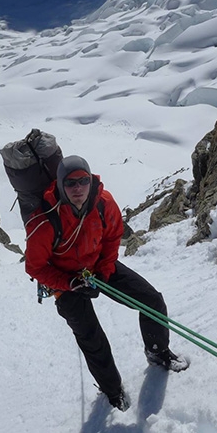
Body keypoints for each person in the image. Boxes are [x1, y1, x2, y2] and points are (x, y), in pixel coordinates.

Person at [25, 155, 188, 411]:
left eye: (83, 181)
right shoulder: (45, 220)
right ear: (59, 185)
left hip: (97, 267)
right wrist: (69, 283)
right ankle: (112, 390)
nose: (77, 188)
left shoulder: (103, 203)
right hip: (65, 281)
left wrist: (103, 270)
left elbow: (113, 236)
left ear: (90, 181)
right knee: (91, 337)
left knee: (151, 300)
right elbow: (35, 266)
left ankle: (157, 351)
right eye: (70, 183)